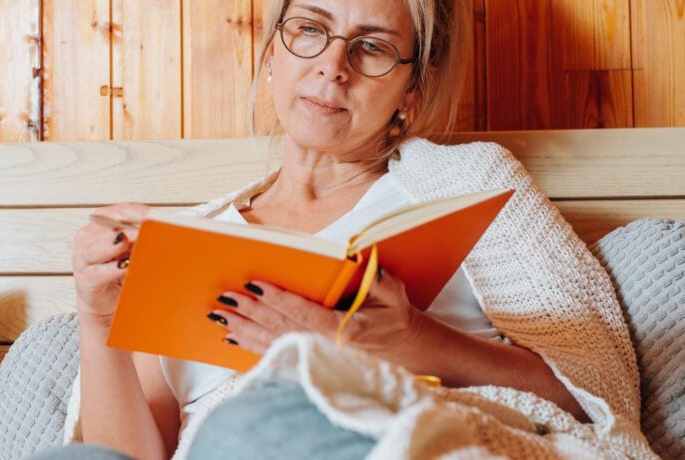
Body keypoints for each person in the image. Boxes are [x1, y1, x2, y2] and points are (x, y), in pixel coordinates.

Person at [33, 0, 652, 458]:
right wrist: (98, 315)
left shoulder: (472, 182)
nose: (333, 66)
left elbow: (594, 393)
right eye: (310, 29)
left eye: (372, 46)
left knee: (250, 430)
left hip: (409, 433)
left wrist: (408, 339)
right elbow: (130, 456)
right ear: (274, 50)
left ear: (415, 85)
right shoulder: (190, 242)